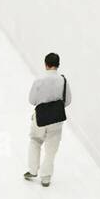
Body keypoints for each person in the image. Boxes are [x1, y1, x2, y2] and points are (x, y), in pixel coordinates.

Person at [25, 52, 72, 187]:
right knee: (51, 150)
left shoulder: (39, 80)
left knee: (35, 141)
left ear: (45, 64)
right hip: (57, 120)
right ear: (58, 65)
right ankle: (46, 177)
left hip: (40, 118)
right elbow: (67, 101)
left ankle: (33, 170)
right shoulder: (63, 80)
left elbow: (32, 100)